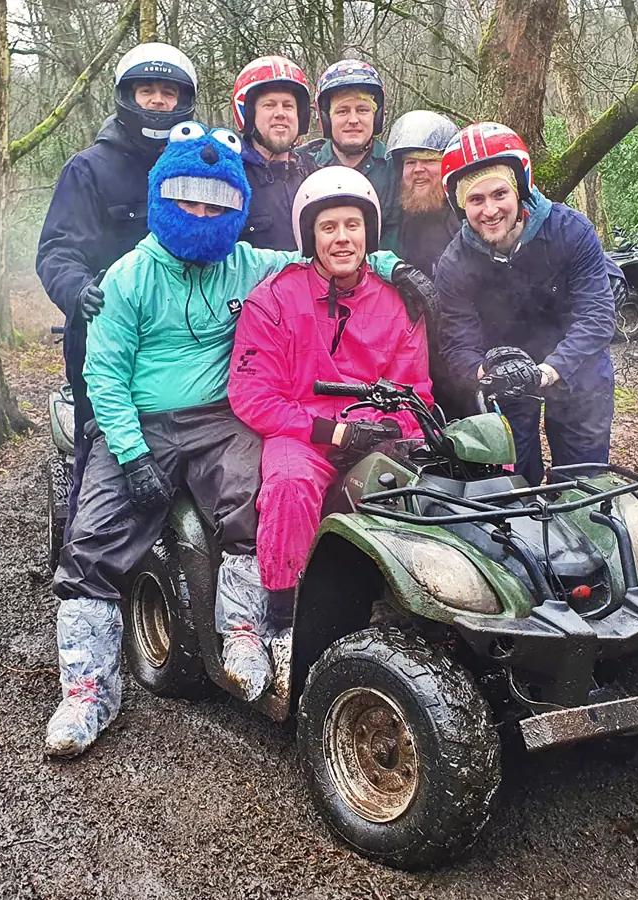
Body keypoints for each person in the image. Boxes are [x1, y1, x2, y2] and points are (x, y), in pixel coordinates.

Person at [45, 124, 438, 756]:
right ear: (162, 199)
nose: (204, 214)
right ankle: (86, 691)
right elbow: (104, 376)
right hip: (139, 421)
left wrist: (394, 266)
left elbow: (326, 254)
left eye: (218, 203)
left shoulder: (248, 264)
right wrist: (131, 452)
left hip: (219, 418)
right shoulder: (127, 278)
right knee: (91, 544)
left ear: (236, 210)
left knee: (253, 502)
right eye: (190, 201)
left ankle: (244, 633)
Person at [226, 167, 432, 692]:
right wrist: (329, 431)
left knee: (425, 489)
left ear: (370, 232)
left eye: (353, 226)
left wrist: (388, 428)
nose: (342, 238)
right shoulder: (273, 299)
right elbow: (252, 394)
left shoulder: (397, 302)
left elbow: (417, 392)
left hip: (375, 435)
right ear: (309, 236)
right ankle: (283, 616)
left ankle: (419, 614)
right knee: (290, 488)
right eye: (329, 227)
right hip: (304, 434)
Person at [36, 42, 198, 541]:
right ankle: (83, 562)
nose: (156, 101)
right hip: (104, 333)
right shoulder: (89, 169)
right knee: (103, 451)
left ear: (183, 101)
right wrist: (78, 289)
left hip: (185, 336)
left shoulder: (197, 161)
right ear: (126, 97)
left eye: (167, 93)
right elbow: (56, 250)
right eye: (146, 91)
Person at [433, 122, 616, 487]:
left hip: (576, 363)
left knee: (583, 480)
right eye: (476, 199)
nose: (490, 210)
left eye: (500, 194)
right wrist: (487, 373)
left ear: (520, 189)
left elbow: (596, 317)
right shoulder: (454, 263)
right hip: (504, 371)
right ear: (460, 205)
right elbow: (457, 344)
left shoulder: (571, 231)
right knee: (512, 480)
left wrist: (549, 370)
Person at [301, 59, 399, 250]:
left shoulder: (396, 167)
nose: (353, 120)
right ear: (326, 119)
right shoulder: (304, 167)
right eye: (342, 111)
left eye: (362, 110)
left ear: (377, 117)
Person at [232, 55, 317, 250]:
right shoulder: (230, 176)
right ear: (249, 114)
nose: (280, 113)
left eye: (288, 106)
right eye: (269, 105)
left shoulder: (315, 174)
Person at [385, 110, 460, 276]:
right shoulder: (399, 215)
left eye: (429, 160)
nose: (418, 169)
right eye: (410, 162)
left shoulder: (463, 218)